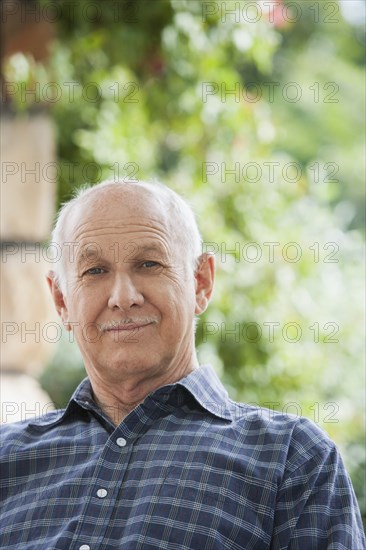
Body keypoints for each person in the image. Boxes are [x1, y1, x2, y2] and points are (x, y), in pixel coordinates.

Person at [1, 180, 365, 550]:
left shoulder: (292, 458)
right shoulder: (6, 458)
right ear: (61, 301)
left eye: (149, 263)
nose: (123, 297)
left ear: (201, 282)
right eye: (95, 271)